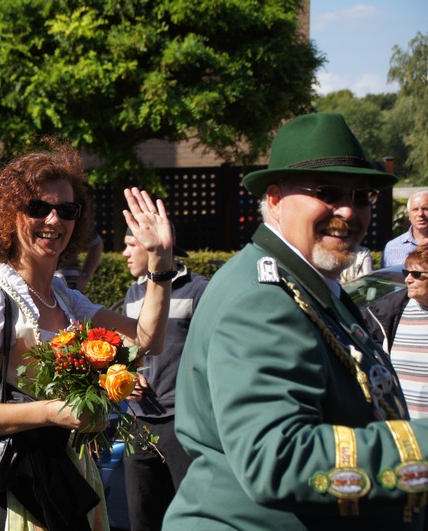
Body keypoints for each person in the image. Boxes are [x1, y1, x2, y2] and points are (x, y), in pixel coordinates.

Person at [165, 113, 428, 530]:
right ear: (274, 199)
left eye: (362, 196)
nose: (348, 210)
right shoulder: (263, 299)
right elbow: (277, 456)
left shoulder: (310, 285)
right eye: (327, 193)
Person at [0, 139, 173, 531]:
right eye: (38, 208)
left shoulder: (65, 297)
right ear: (8, 214)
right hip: (13, 489)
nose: (54, 220)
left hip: (67, 479)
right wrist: (53, 411)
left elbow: (147, 340)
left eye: (67, 210)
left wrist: (160, 263)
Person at [121, 225, 208, 530]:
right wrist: (128, 372)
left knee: (192, 520)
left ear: (156, 247)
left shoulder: (199, 290)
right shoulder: (133, 293)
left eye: (132, 245)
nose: (125, 253)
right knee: (141, 519)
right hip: (137, 424)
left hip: (183, 424)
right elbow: (127, 350)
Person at [365, 246, 428, 419]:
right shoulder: (387, 314)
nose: (408, 279)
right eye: (406, 273)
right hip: (401, 425)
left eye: (416, 274)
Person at [382, 191, 428, 267]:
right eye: (415, 209)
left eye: (425, 209)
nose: (420, 214)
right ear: (409, 215)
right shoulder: (392, 247)